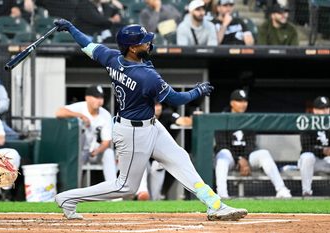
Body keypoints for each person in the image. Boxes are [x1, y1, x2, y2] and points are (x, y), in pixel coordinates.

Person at [53, 18, 247, 221]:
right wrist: (196, 91)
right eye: (144, 42)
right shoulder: (145, 76)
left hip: (150, 125)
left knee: (180, 159)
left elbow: (87, 44)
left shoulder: (111, 57)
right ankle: (68, 198)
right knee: (125, 187)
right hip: (134, 133)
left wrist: (71, 28)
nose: (149, 44)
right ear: (132, 48)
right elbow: (176, 99)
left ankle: (214, 204)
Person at [214, 89, 292, 198]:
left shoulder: (249, 119)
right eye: (239, 101)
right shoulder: (222, 118)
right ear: (232, 103)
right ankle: (222, 194)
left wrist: (244, 158)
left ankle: (281, 190)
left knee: (264, 153)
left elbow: (251, 143)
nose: (243, 104)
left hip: (246, 158)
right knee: (223, 154)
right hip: (230, 159)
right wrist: (238, 159)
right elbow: (221, 144)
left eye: (245, 101)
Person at [55, 85, 117, 185]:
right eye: (96, 97)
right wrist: (81, 116)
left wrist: (97, 151)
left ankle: (114, 190)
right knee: (76, 158)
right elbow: (59, 112)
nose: (99, 100)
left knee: (109, 153)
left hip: (94, 150)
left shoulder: (105, 114)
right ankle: (74, 191)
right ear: (87, 98)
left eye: (101, 97)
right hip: (78, 150)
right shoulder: (80, 107)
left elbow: (106, 141)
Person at [136, 102, 193, 201]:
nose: (157, 108)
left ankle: (152, 200)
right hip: (144, 156)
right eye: (154, 105)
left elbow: (183, 121)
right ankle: (142, 191)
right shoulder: (140, 116)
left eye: (159, 105)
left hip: (158, 159)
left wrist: (195, 118)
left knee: (155, 196)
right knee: (140, 162)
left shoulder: (166, 114)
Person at [298, 96, 330, 196]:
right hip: (310, 162)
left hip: (326, 162)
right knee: (308, 157)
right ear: (315, 110)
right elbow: (306, 147)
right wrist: (323, 151)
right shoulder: (307, 123)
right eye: (321, 109)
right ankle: (306, 192)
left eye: (327, 108)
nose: (325, 111)